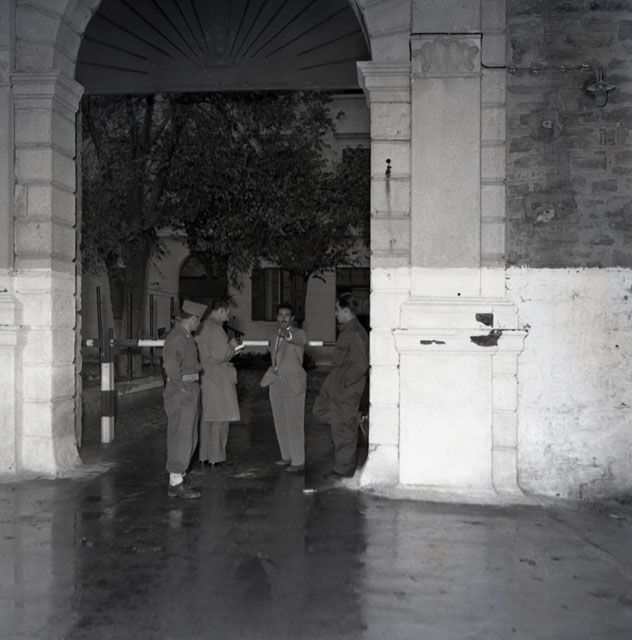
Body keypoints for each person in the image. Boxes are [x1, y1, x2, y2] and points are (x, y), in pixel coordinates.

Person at [313, 293, 369, 479]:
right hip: (335, 383)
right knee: (319, 410)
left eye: (337, 309)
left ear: (346, 311)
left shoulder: (356, 333)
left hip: (346, 388)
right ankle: (355, 419)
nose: (335, 313)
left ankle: (343, 470)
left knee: (343, 430)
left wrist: (343, 384)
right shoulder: (347, 330)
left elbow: (361, 365)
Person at [162, 299, 207, 499]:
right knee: (181, 436)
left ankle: (179, 476)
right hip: (183, 391)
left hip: (188, 389)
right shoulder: (178, 337)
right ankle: (175, 482)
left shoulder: (185, 336)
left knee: (189, 436)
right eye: (199, 320)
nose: (200, 324)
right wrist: (181, 387)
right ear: (194, 319)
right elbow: (172, 367)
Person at [262, 302, 308, 473]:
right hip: (276, 384)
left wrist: (288, 335)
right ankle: (287, 456)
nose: (283, 318)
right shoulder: (274, 336)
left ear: (292, 318)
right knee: (280, 422)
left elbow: (300, 340)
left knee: (294, 423)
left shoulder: (298, 333)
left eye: (287, 315)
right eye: (280, 315)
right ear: (276, 317)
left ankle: (298, 461)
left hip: (293, 384)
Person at [196, 298, 240, 467]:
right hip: (218, 378)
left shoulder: (200, 327)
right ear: (221, 311)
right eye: (227, 313)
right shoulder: (217, 329)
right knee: (221, 417)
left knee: (207, 417)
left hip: (204, 376)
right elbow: (222, 354)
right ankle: (216, 456)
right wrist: (232, 346)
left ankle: (204, 455)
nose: (228, 318)